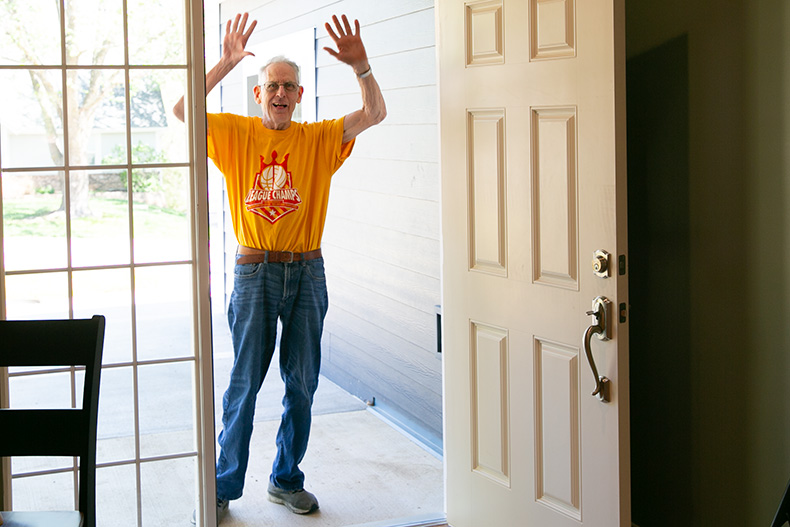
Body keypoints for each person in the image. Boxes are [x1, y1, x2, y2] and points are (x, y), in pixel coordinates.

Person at [174, 12, 386, 524]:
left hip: (307, 272)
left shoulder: (318, 138)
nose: (280, 93)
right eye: (272, 85)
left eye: (289, 86)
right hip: (254, 272)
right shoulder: (235, 133)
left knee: (302, 382)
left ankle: (286, 479)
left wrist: (361, 67)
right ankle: (224, 485)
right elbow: (183, 109)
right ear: (258, 93)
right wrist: (225, 62)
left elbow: (374, 113)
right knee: (244, 383)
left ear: (299, 95)